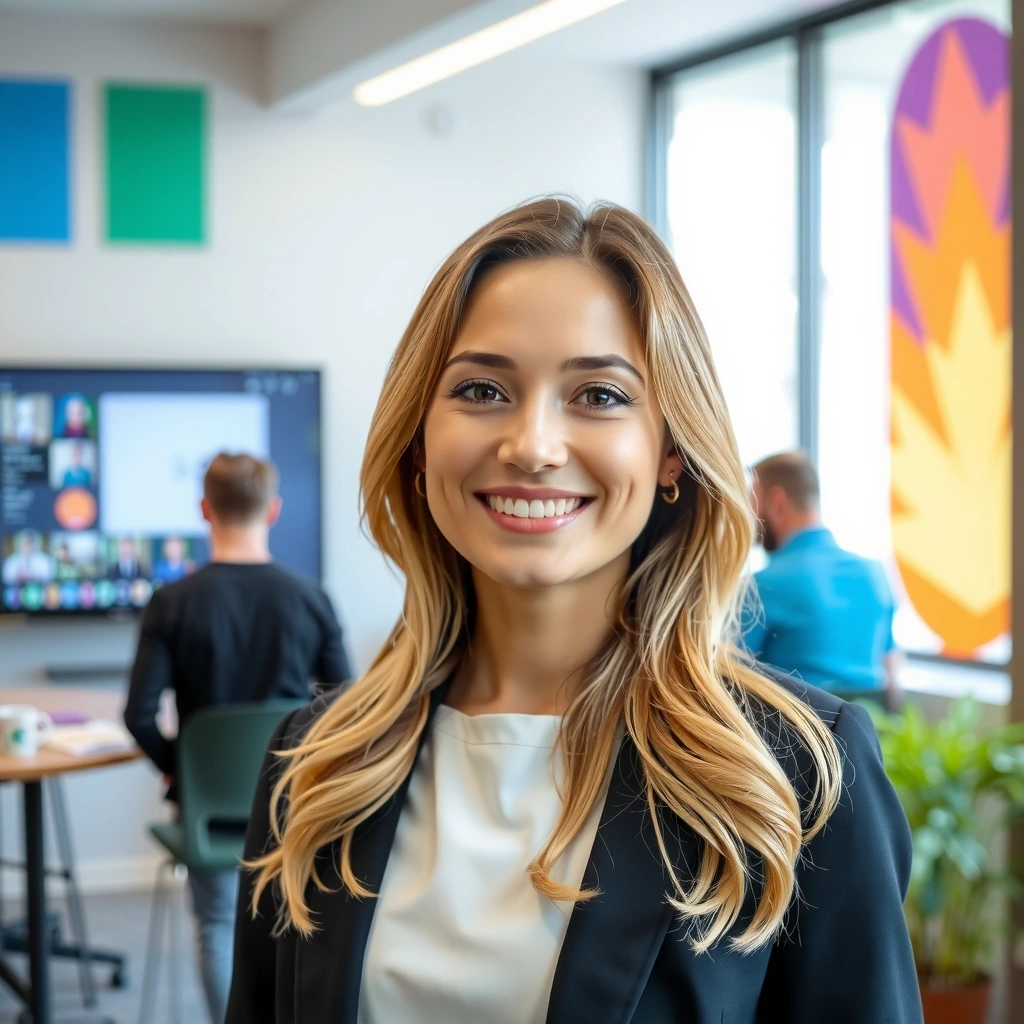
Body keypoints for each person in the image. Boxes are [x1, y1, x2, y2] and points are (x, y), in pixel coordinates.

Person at [227, 200, 920, 1024]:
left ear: (670, 451)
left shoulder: (798, 774)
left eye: (597, 394)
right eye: (482, 389)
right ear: (419, 441)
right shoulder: (314, 764)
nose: (533, 445)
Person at [125, 452, 352, 1024]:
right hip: (296, 804)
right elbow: (346, 707)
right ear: (272, 510)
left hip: (210, 817)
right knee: (301, 922)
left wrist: (182, 769)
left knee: (218, 924)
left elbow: (139, 716)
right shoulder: (311, 598)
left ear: (205, 510)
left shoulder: (171, 603)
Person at [744, 451, 900, 709]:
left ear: (777, 501)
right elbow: (892, 676)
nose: (748, 516)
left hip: (793, 743)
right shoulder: (876, 575)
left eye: (752, 501)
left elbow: (729, 678)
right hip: (870, 741)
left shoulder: (761, 585)